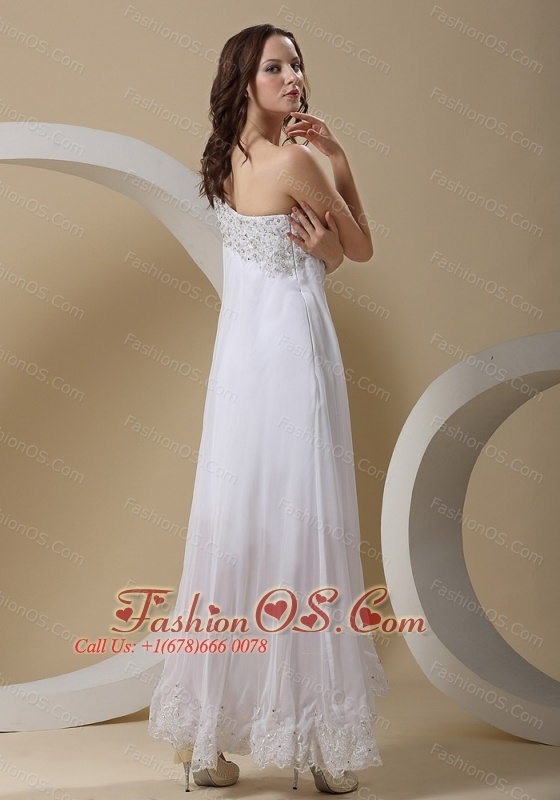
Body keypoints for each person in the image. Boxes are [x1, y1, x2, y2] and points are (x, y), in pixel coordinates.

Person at [148, 23, 388, 794]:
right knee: (305, 521)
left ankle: (206, 746)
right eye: (275, 67)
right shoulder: (296, 161)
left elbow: (300, 256)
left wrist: (323, 250)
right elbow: (358, 247)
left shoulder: (225, 160)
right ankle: (320, 748)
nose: (294, 77)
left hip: (241, 364)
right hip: (295, 358)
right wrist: (339, 162)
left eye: (297, 63)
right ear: (243, 80)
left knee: (236, 522)